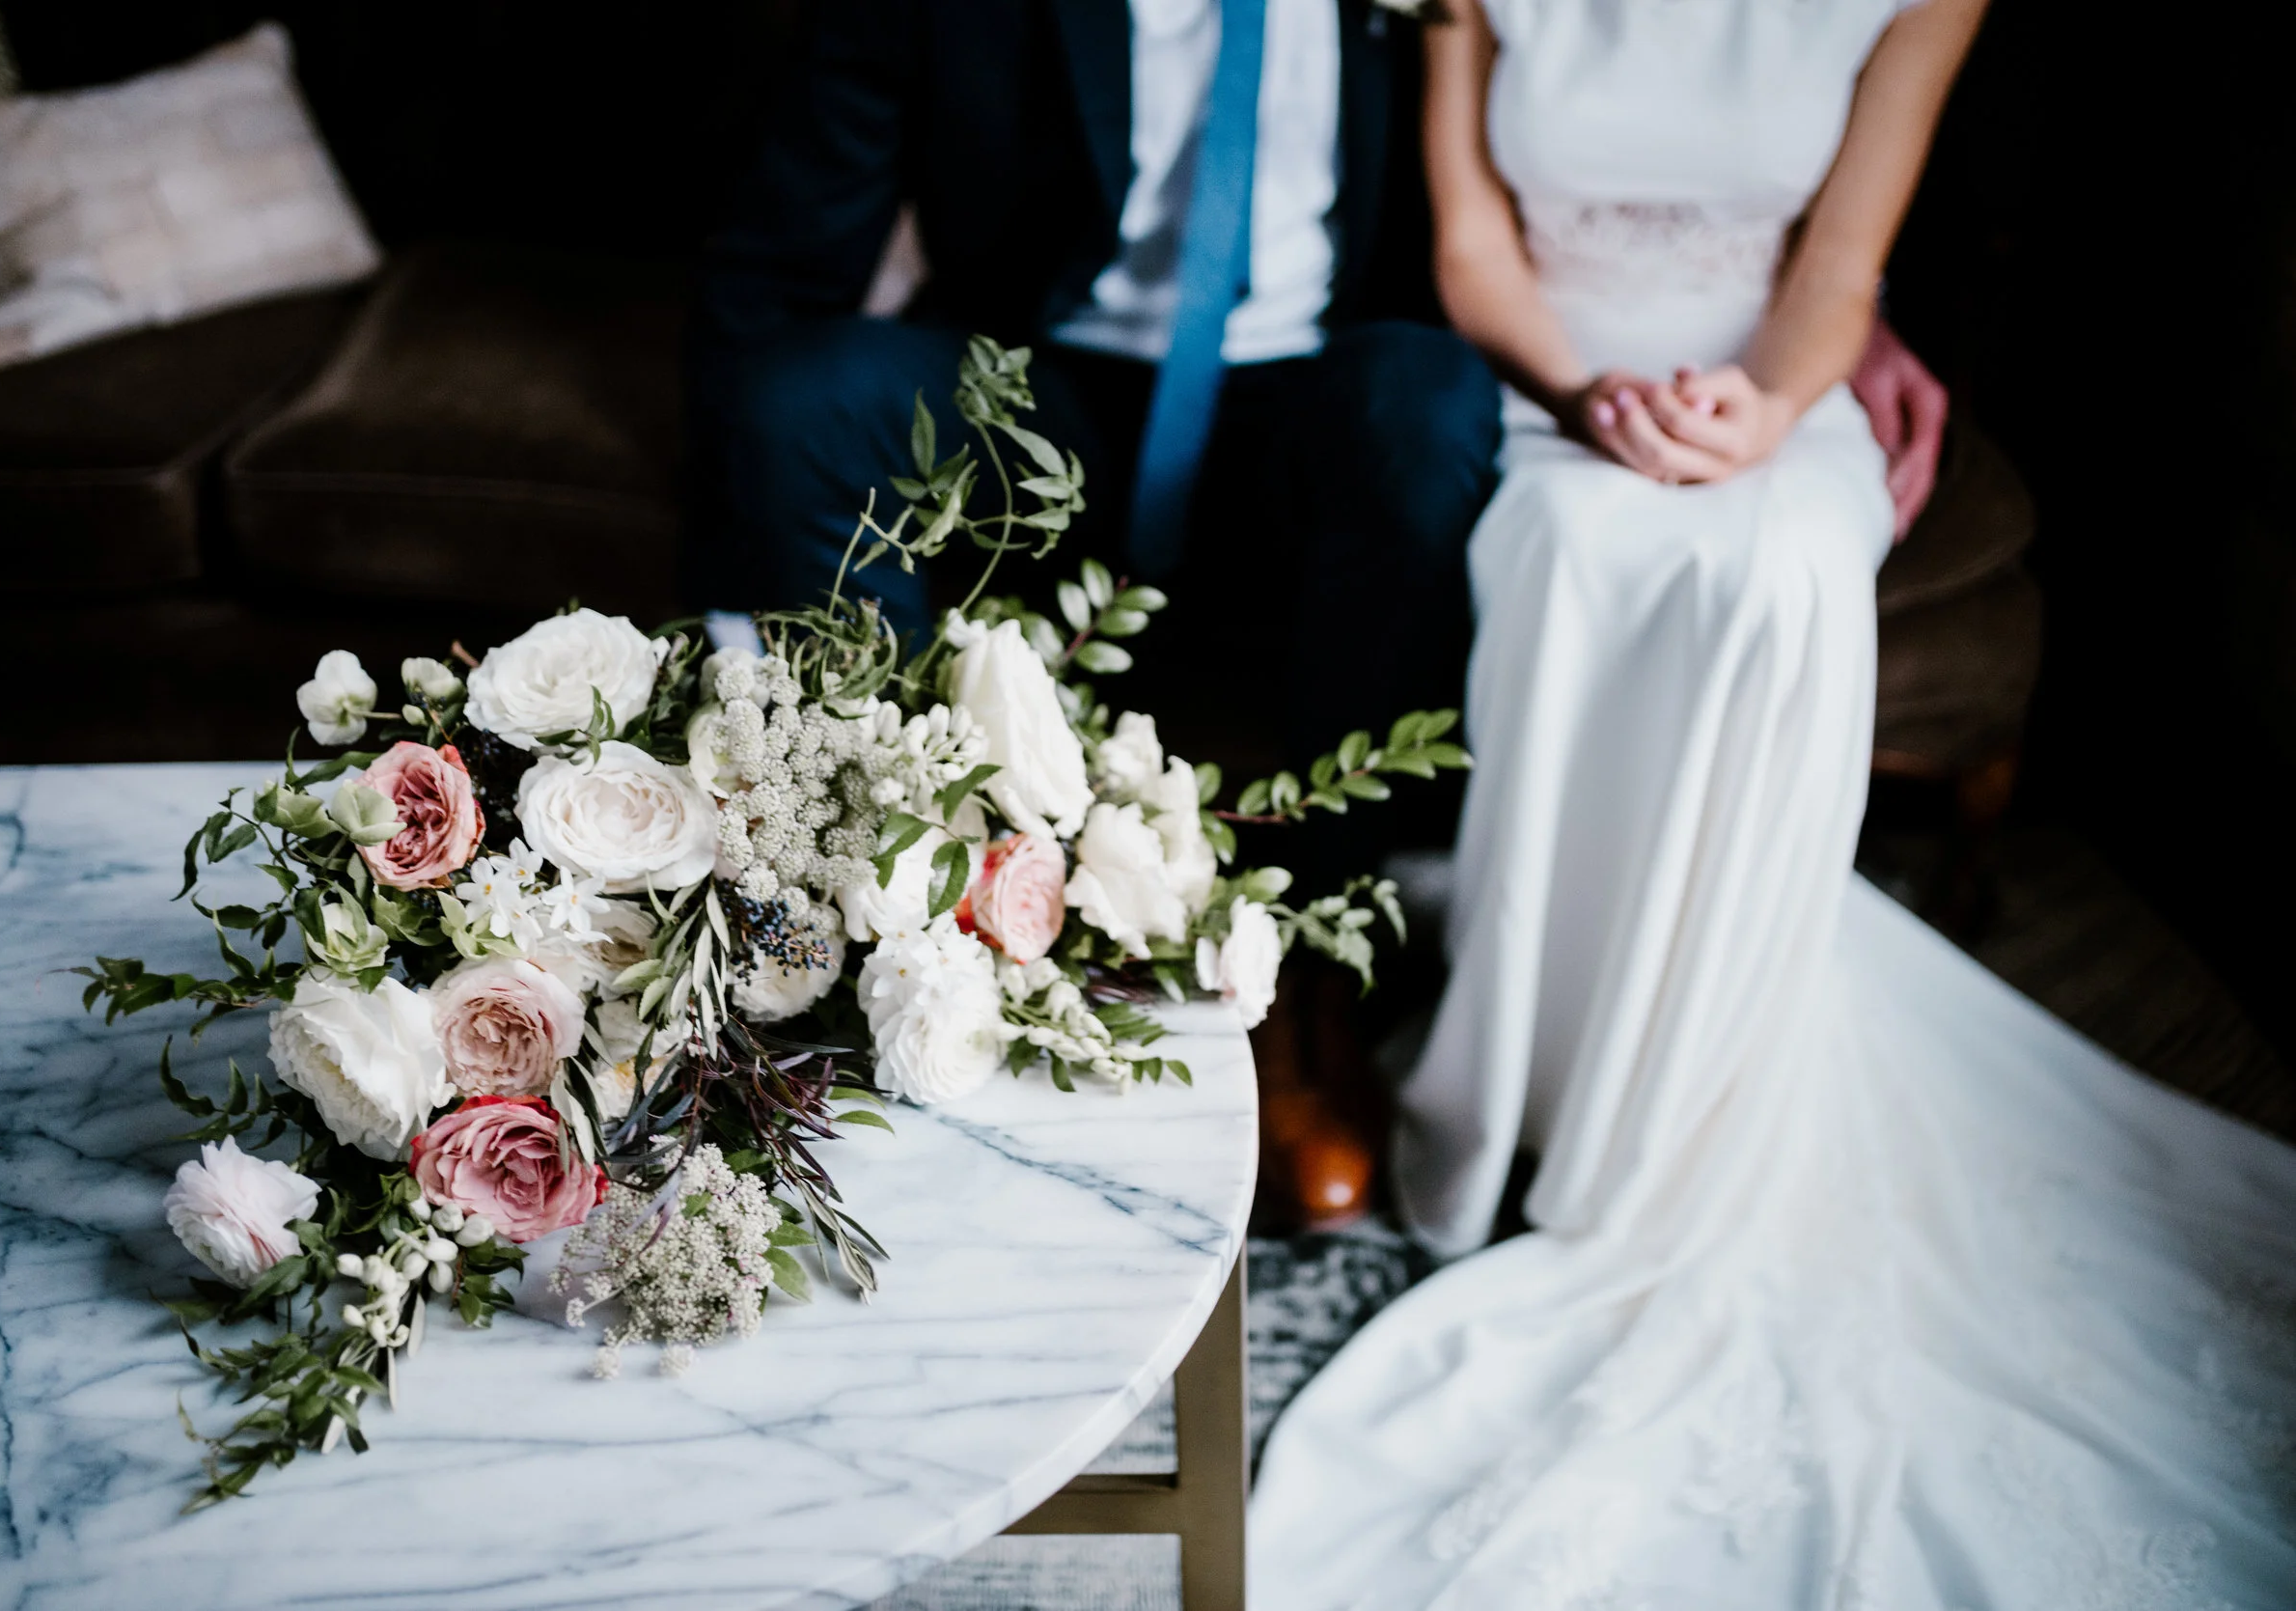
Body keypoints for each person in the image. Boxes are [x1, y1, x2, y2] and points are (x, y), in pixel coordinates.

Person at [1248, 0, 2296, 1605]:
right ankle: (1544, 1054)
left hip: (1776, 395)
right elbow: (1471, 245)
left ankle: (1680, 1096)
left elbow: (1838, 271)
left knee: (1784, 574)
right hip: (1550, 376)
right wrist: (1594, 394)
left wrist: (1763, 404)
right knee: (1576, 556)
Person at [693, 0, 1947, 1232]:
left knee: (1424, 401)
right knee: (802, 402)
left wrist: (1847, 321)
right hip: (1046, 387)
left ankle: (1313, 982)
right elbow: (783, 259)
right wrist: (739, 495)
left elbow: (1614, 166)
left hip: (1312, 401)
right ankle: (890, 918)